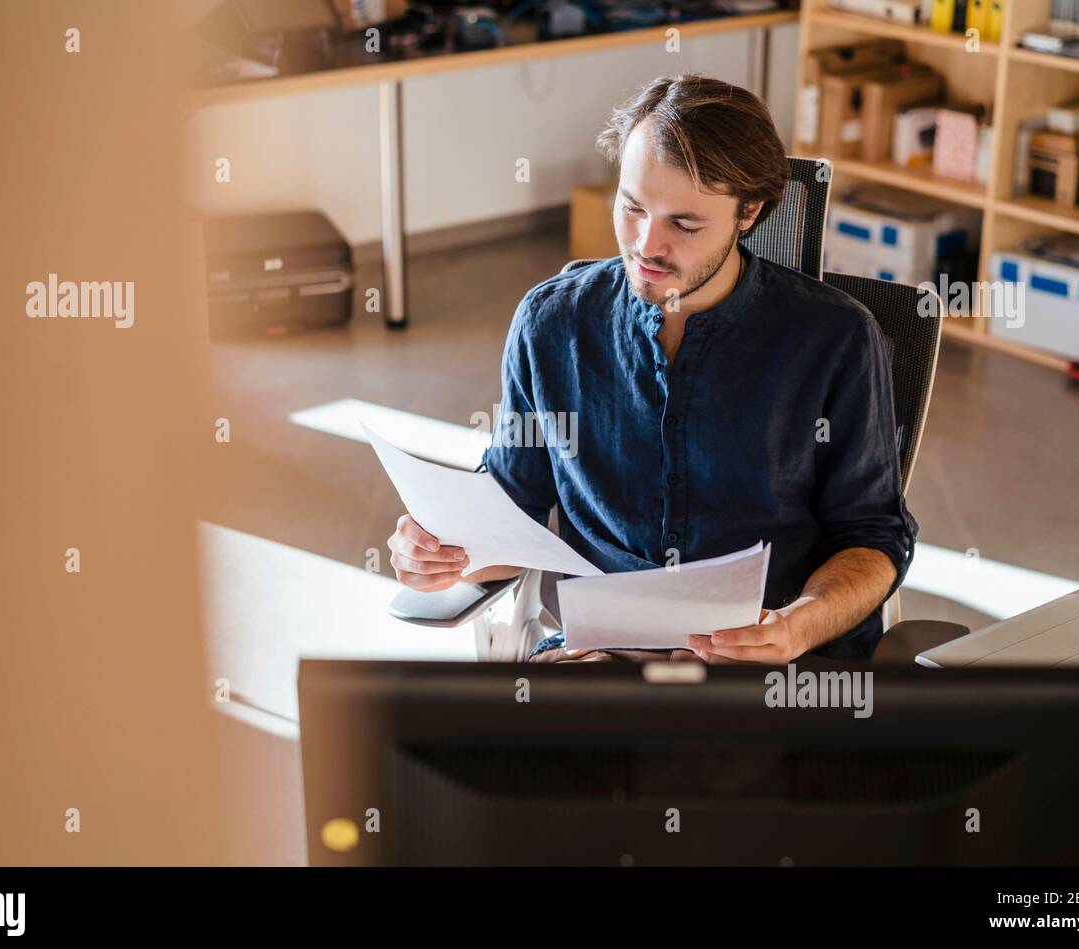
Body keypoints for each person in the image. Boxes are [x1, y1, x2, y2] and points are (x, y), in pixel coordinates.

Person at [387, 74, 918, 665]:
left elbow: (871, 537)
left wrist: (798, 626)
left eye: (684, 225)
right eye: (632, 207)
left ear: (750, 212)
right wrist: (441, 552)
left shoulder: (836, 339)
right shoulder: (552, 323)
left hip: (767, 667)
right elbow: (514, 511)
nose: (645, 245)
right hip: (602, 658)